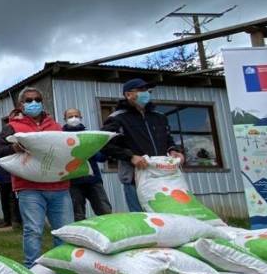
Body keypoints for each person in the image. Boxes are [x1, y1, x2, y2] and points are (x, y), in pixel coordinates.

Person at [0, 87, 73, 267]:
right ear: (21, 105)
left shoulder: (56, 126)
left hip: (59, 187)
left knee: (63, 232)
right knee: (33, 231)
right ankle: (32, 269)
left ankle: (61, 268)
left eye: (37, 99)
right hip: (29, 188)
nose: (34, 103)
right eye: (28, 100)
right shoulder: (12, 127)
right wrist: (13, 148)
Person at [101, 78, 184, 212]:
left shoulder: (159, 116)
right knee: (145, 219)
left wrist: (173, 150)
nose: (146, 93)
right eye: (141, 90)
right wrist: (130, 156)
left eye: (147, 90)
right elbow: (105, 145)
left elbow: (168, 138)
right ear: (128, 95)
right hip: (135, 177)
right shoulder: (117, 118)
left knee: (169, 215)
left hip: (162, 175)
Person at [62, 108, 112, 222]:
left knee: (105, 212)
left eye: (76, 116)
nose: (73, 118)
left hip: (93, 180)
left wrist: (102, 149)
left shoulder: (90, 136)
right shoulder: (60, 137)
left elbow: (101, 158)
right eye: (70, 116)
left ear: (81, 117)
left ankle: (110, 238)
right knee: (77, 215)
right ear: (65, 119)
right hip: (72, 182)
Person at [0, 158, 20, 229]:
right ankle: (7, 221)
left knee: (14, 202)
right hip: (2, 183)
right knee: (4, 202)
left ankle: (15, 221)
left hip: (12, 182)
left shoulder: (12, 157)